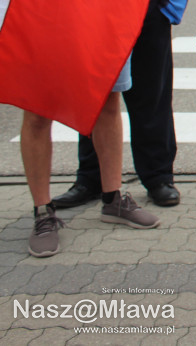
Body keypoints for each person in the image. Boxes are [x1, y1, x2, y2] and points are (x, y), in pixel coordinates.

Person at [54, 0, 195, 210]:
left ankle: (158, 176)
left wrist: (168, 6)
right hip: (94, 8)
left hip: (148, 8)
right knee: (95, 98)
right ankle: (90, 178)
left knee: (151, 97)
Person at [22, 58, 160, 258]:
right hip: (42, 38)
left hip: (100, 36)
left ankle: (113, 199)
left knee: (108, 100)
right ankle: (42, 212)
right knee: (37, 109)